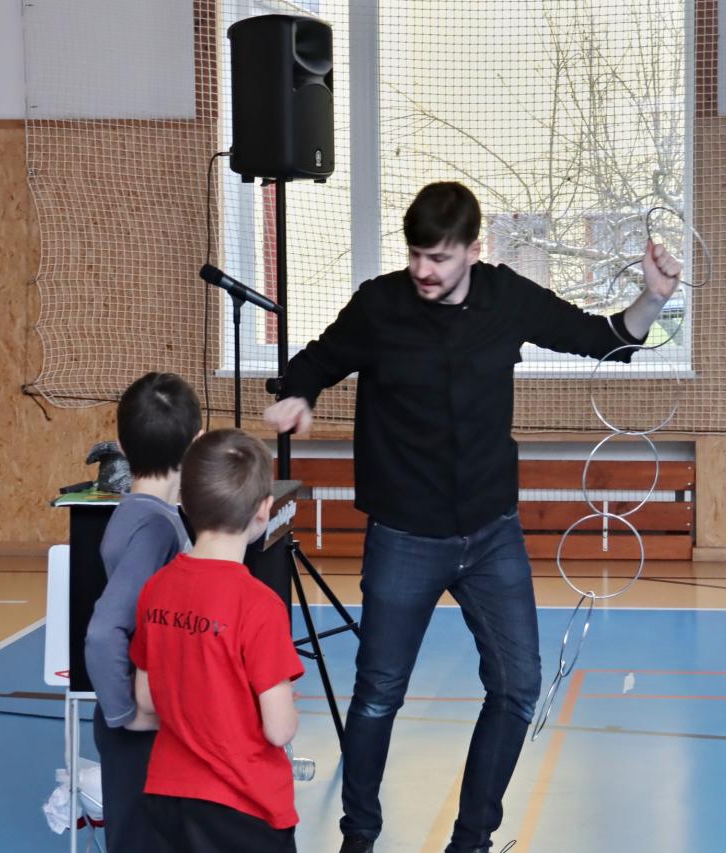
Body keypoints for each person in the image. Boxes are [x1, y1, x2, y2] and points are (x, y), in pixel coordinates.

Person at [263, 181, 681, 853]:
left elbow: (601, 338)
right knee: (378, 694)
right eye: (415, 255)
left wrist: (653, 298)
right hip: (404, 535)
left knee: (517, 687)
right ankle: (359, 835)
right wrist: (298, 395)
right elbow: (316, 360)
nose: (424, 270)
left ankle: (471, 840)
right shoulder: (380, 305)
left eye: (439, 257)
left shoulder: (506, 297)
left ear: (472, 250)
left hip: (491, 535)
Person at [130, 429, 305, 853]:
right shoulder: (259, 605)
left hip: (168, 797)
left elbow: (147, 700)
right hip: (244, 806)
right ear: (263, 509)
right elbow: (279, 730)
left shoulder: (157, 587)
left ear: (184, 502)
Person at [83, 372, 201, 853]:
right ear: (195, 443)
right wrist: (127, 714)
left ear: (122, 445)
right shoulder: (155, 528)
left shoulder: (142, 512)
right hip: (141, 723)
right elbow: (104, 632)